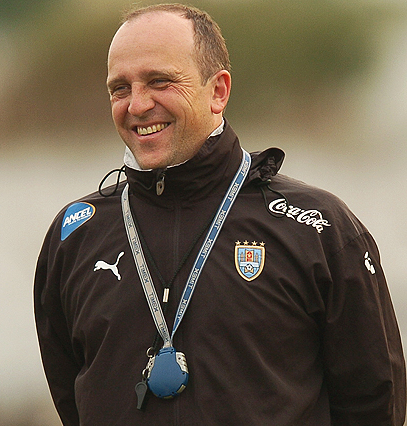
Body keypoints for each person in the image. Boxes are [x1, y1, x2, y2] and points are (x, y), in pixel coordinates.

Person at [33, 3, 406, 425]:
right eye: (120, 88)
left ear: (218, 91)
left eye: (160, 81)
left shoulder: (319, 229)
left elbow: (376, 404)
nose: (137, 105)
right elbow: (72, 401)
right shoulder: (74, 235)